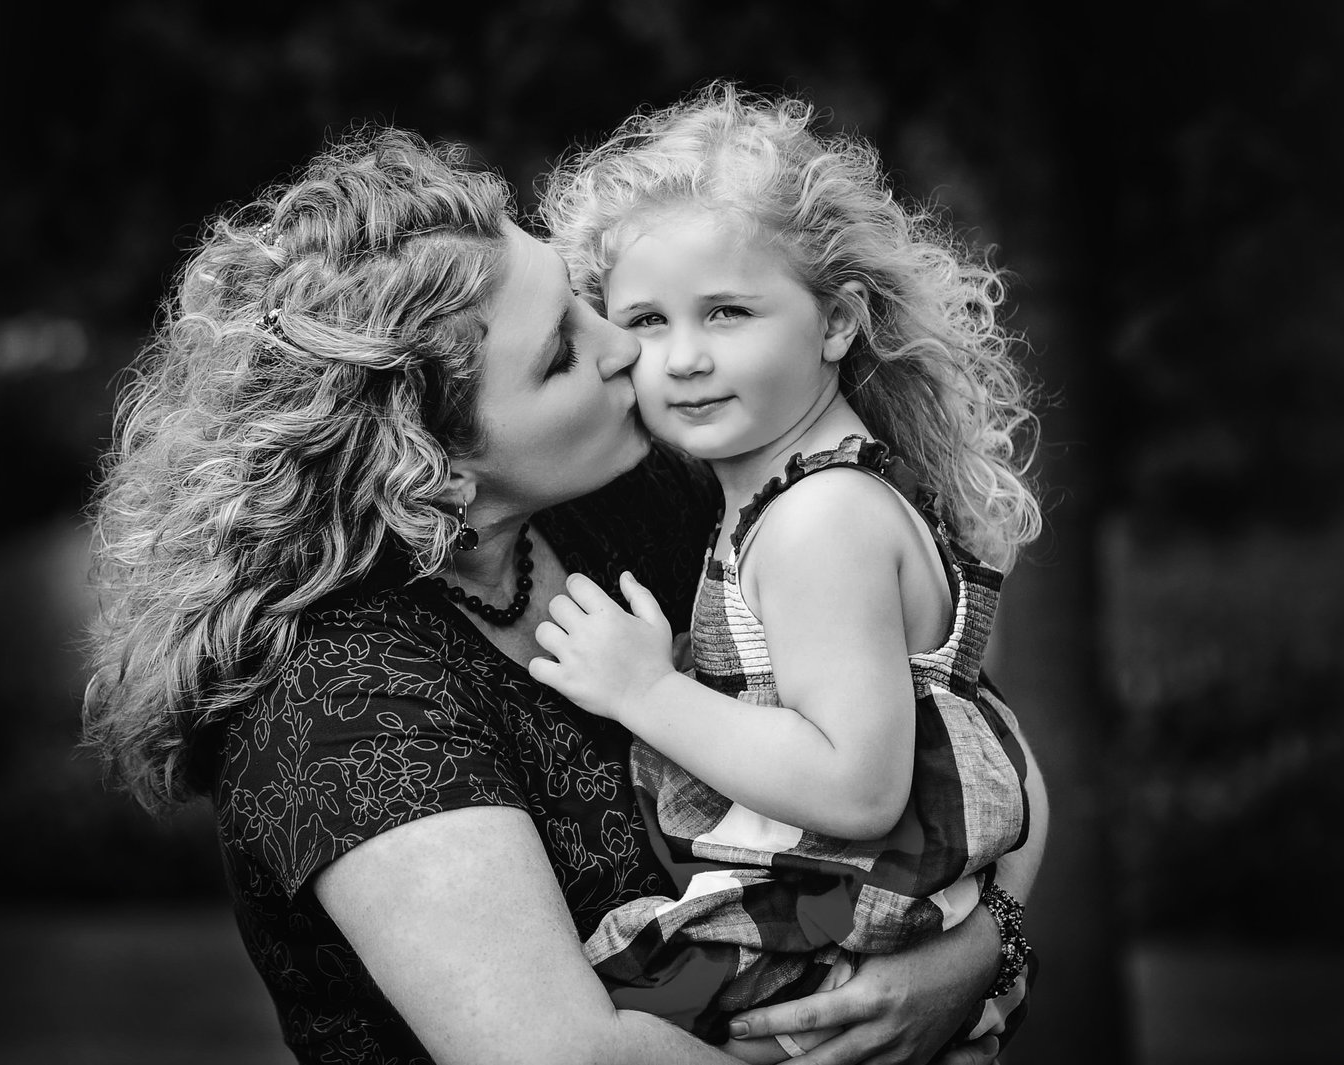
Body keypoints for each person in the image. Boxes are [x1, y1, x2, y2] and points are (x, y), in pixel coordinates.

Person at [82, 123, 1042, 1065]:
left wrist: (977, 950)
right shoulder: (341, 708)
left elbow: (972, 745)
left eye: (589, 305)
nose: (629, 352)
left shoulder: (653, 508)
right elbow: (564, 1053)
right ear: (439, 470)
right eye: (562, 353)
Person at [532, 84, 1045, 1061]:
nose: (681, 358)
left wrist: (646, 689)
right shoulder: (800, 494)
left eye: (726, 312)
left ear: (838, 322)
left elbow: (856, 791)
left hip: (835, 949)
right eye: (643, 320)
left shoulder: (818, 521)